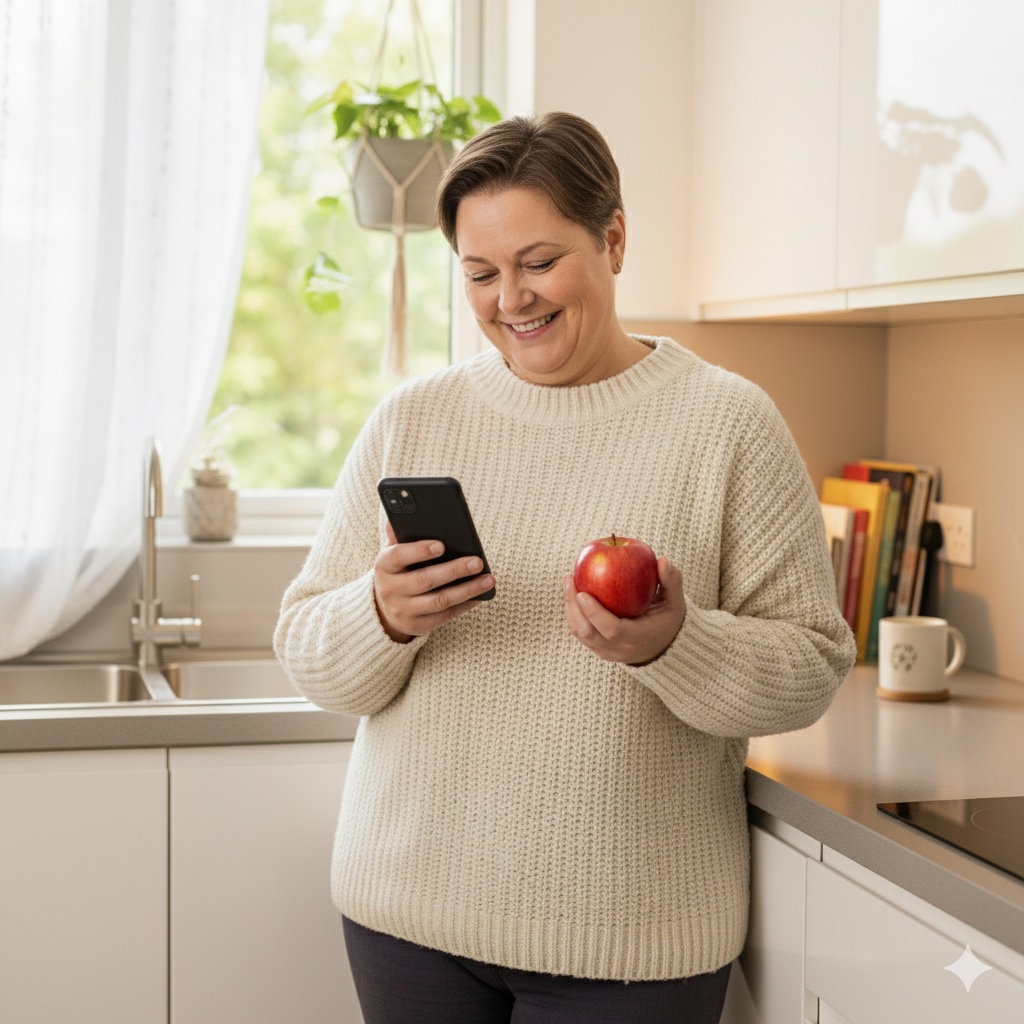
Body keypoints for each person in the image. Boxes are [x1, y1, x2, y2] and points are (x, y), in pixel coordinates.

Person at [274, 111, 857, 1024]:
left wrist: (677, 643)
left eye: (539, 262)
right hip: (406, 915)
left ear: (613, 238)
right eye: (480, 272)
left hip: (632, 939)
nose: (512, 299)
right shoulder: (413, 418)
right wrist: (380, 615)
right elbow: (308, 649)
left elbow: (812, 669)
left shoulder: (730, 425)